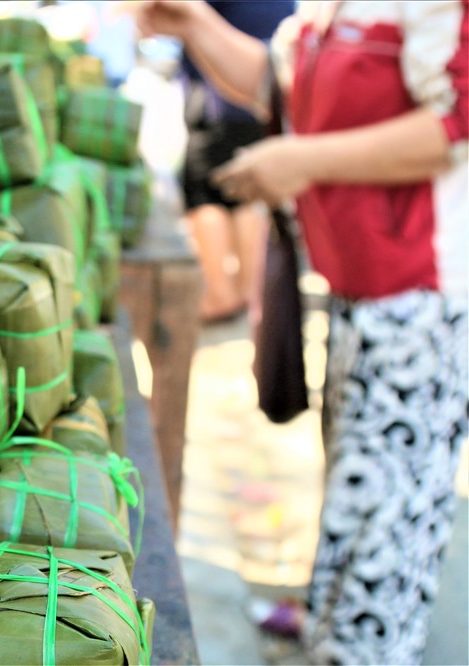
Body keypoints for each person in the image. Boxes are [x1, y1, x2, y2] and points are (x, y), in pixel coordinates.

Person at [136, 1, 468, 664]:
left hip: (421, 296)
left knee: (387, 532)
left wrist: (303, 160)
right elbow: (276, 79)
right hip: (353, 293)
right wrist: (193, 22)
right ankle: (330, 634)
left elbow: (454, 123)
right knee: (357, 496)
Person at [178, 0, 294, 323]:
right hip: (259, 102)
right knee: (247, 195)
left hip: (221, 100)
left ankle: (221, 293)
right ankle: (246, 291)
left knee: (206, 193)